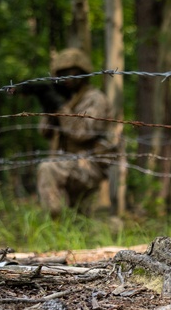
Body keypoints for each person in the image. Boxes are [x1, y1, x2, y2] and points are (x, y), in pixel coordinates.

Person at [33, 48, 114, 217]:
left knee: (47, 169)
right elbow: (44, 132)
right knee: (80, 218)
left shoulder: (95, 99)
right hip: (65, 164)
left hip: (88, 165)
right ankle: (58, 226)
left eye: (71, 73)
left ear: (82, 73)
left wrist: (61, 109)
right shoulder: (65, 98)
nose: (67, 78)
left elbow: (82, 132)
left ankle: (56, 222)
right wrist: (50, 107)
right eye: (62, 74)